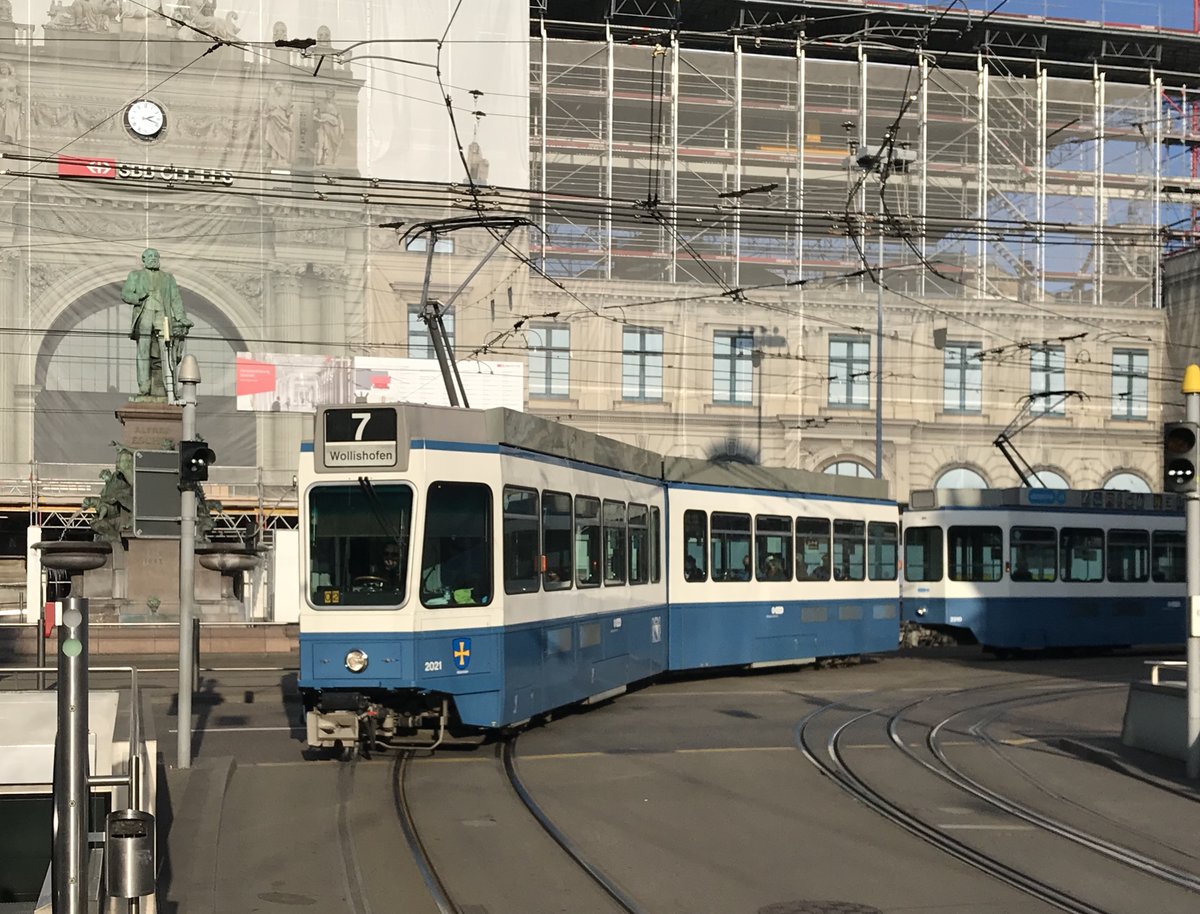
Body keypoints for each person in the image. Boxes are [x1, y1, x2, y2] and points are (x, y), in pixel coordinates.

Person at [121, 248, 192, 400]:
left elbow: (175, 299)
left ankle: (169, 388)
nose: (153, 258)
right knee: (143, 352)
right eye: (150, 256)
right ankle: (144, 388)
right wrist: (139, 296)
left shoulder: (168, 278)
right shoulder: (135, 275)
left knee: (167, 350)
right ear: (144, 260)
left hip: (162, 315)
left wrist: (181, 317)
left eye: (156, 256)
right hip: (145, 314)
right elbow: (125, 294)